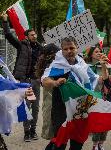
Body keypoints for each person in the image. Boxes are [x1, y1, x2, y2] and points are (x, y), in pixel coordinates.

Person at [42, 37, 99, 150]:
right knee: (60, 141)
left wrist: (105, 68)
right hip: (61, 108)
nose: (69, 51)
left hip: (79, 108)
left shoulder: (82, 64)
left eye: (72, 48)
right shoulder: (57, 64)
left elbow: (95, 78)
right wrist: (55, 82)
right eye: (66, 49)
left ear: (77, 48)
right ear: (62, 51)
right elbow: (44, 80)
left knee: (77, 142)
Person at [1, 13, 42, 142]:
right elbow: (8, 35)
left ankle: (33, 130)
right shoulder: (21, 46)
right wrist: (5, 21)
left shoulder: (41, 48)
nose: (34, 36)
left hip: (36, 81)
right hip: (25, 82)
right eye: (32, 35)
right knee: (27, 106)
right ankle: (26, 132)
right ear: (27, 37)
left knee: (35, 108)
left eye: (35, 34)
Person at [35, 43, 60, 140]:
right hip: (52, 103)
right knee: (54, 134)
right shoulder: (51, 67)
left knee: (54, 135)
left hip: (51, 103)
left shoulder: (46, 64)